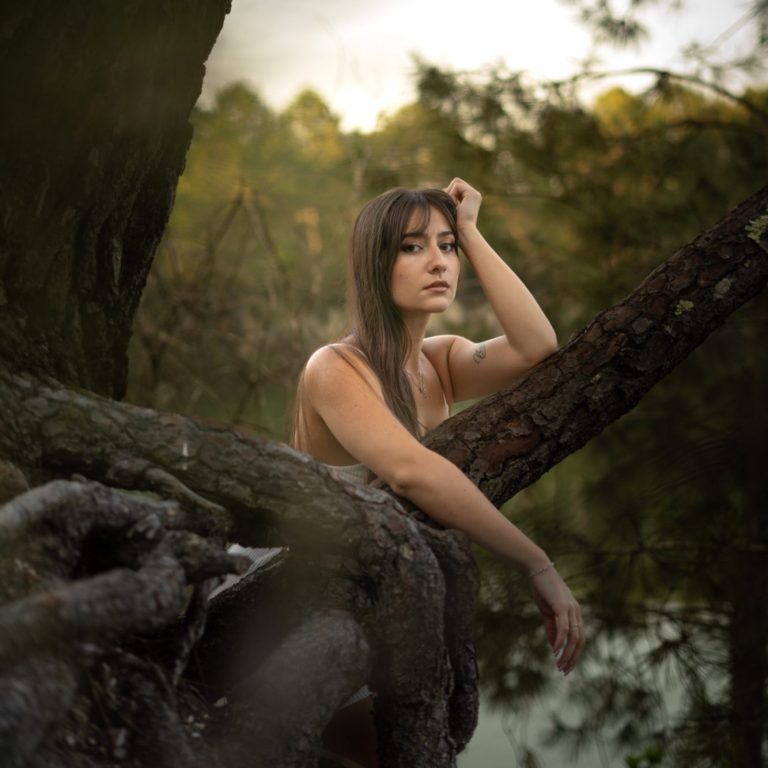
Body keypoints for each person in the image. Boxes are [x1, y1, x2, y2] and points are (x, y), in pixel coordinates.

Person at [291, 178, 584, 768]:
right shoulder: (335, 366)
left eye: (446, 247)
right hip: (301, 606)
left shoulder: (440, 361)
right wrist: (536, 561)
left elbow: (536, 345)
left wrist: (471, 230)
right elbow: (411, 472)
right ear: (376, 263)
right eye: (412, 246)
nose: (438, 262)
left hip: (386, 603)